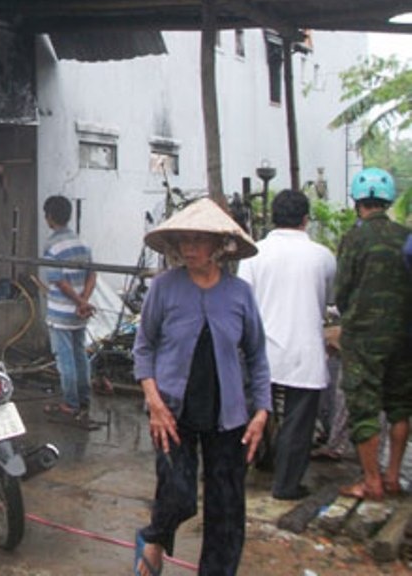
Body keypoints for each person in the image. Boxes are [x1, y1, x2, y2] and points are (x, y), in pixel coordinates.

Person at [132, 198, 271, 576]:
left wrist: (261, 412)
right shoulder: (164, 288)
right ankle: (153, 538)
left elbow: (257, 356)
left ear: (219, 247)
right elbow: (143, 347)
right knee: (177, 495)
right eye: (184, 240)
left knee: (227, 509)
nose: (190, 248)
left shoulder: (239, 293)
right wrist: (154, 401)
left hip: (228, 417)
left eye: (199, 240)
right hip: (172, 412)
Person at [237, 190, 336, 500]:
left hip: (261, 347)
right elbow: (330, 300)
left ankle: (236, 471)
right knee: (298, 420)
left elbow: (243, 301)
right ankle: (286, 485)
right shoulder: (323, 256)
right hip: (303, 350)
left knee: (247, 412)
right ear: (306, 219)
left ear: (272, 219)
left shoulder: (254, 253)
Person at [334, 167, 412, 500]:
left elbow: (341, 292)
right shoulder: (405, 236)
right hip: (404, 335)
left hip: (364, 339)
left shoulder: (354, 239)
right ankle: (393, 476)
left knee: (364, 407)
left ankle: (371, 481)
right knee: (399, 405)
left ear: (358, 202)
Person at [41, 195, 96, 418]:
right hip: (80, 312)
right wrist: (84, 300)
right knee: (80, 354)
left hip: (62, 313)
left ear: (50, 217)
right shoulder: (81, 243)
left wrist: (78, 300)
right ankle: (84, 398)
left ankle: (71, 403)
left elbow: (59, 282)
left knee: (65, 359)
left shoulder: (52, 245)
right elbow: (92, 274)